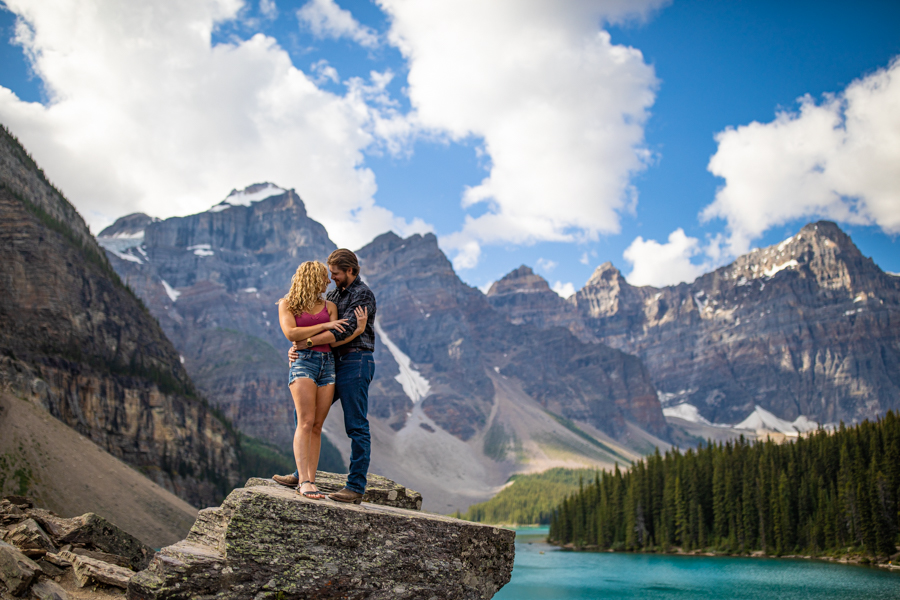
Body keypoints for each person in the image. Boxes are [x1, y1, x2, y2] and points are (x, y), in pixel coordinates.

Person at [274, 249, 376, 504]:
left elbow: (343, 332)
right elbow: (305, 329)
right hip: (331, 361)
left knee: (355, 424)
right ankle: (302, 475)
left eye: (336, 273)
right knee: (306, 418)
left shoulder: (363, 295)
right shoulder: (331, 296)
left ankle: (355, 486)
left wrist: (304, 342)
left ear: (351, 270)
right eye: (328, 274)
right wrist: (298, 344)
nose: (331, 278)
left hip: (355, 360)